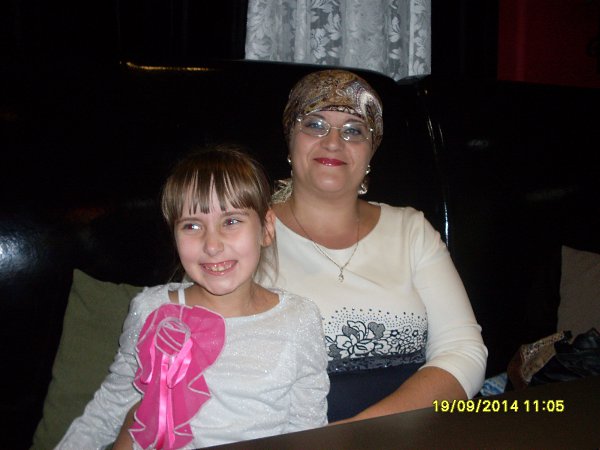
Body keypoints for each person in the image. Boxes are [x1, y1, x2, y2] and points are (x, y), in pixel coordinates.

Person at [57, 146, 329, 449]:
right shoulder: (152, 310)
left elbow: (308, 427)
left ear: (266, 228)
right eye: (192, 226)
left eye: (231, 221)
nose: (212, 245)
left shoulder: (299, 319)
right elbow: (110, 407)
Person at [262, 69, 488, 423]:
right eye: (315, 125)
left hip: (418, 429)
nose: (333, 142)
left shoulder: (410, 230)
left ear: (371, 150)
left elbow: (463, 350)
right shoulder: (241, 233)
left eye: (353, 130)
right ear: (290, 139)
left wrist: (361, 433)